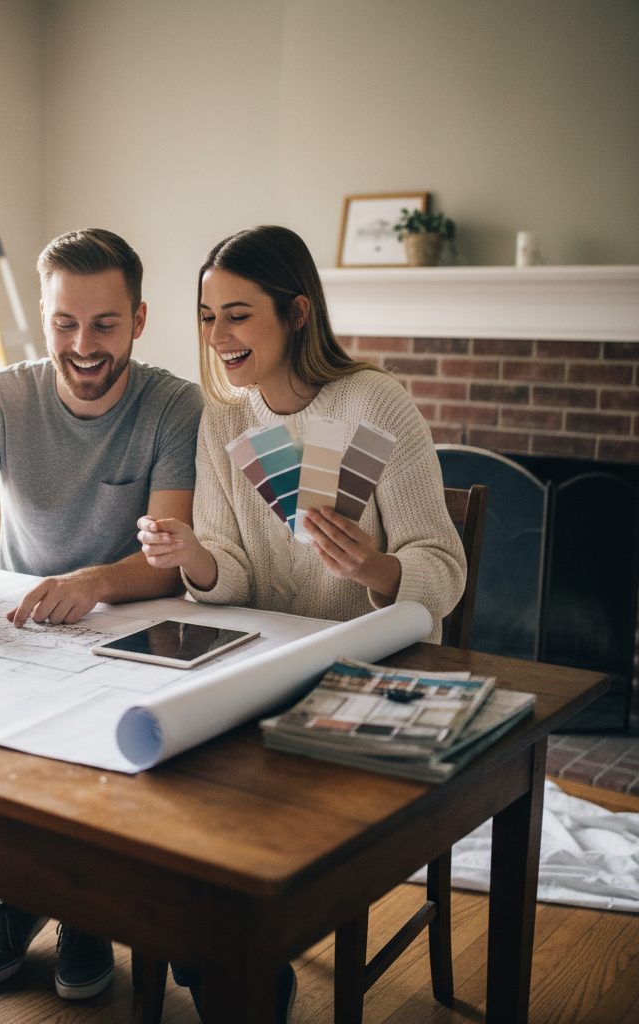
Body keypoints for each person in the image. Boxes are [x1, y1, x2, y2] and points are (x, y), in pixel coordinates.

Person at [137, 224, 467, 1021]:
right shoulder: (222, 421)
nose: (218, 337)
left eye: (238, 315)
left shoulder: (373, 401)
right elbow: (236, 572)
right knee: (167, 795)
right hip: (266, 668)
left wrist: (377, 570)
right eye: (208, 315)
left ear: (296, 313)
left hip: (371, 675)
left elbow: (445, 571)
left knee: (238, 813)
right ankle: (233, 968)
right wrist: (195, 556)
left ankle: (238, 967)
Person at [0, 228, 203, 1001]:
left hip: (137, 634)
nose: (83, 344)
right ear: (45, 317)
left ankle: (86, 911)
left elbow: (171, 556)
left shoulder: (175, 406)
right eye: (65, 323)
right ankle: (26, 896)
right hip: (27, 632)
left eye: (104, 324)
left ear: (138, 319)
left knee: (110, 748)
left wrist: (97, 581)